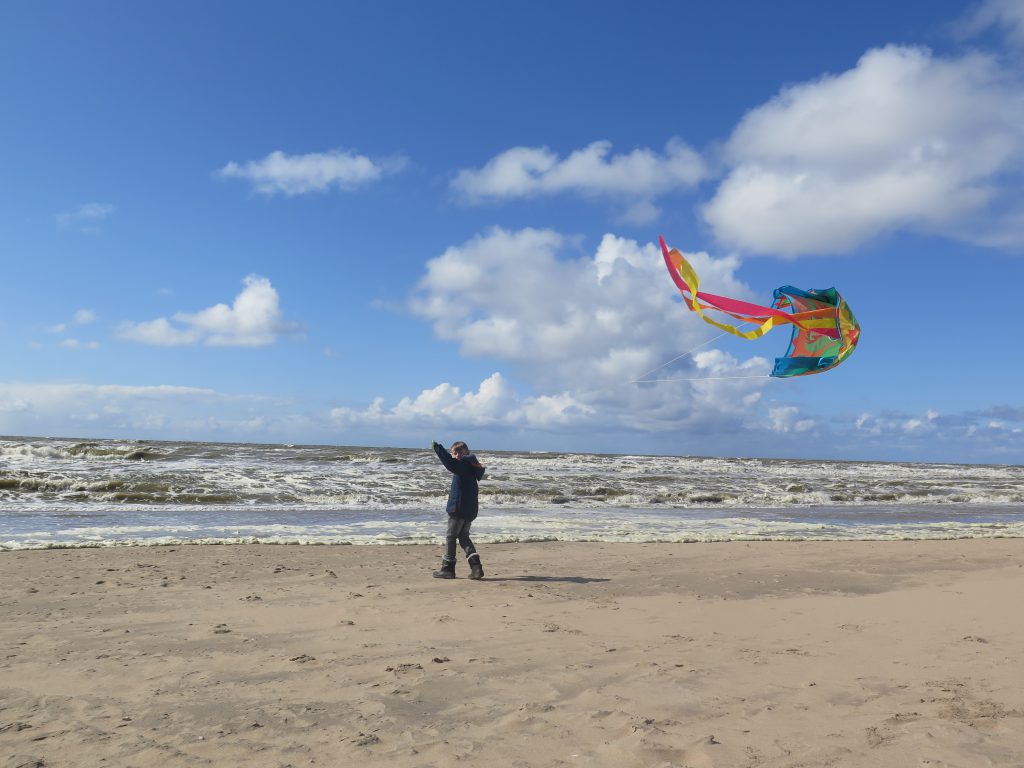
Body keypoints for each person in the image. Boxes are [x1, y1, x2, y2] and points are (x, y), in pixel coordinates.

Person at [430, 439, 486, 579]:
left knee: (450, 536)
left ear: (466, 452)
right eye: (454, 452)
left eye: (459, 451)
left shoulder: (463, 465)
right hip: (470, 510)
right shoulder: (472, 468)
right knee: (463, 537)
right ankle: (476, 568)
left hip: (459, 508)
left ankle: (448, 568)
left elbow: (449, 463)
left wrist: (438, 448)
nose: (456, 455)